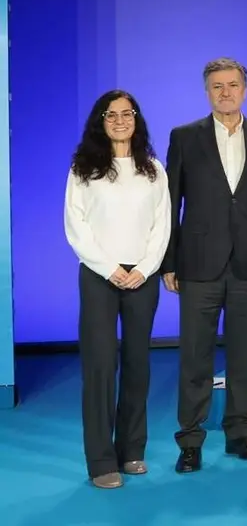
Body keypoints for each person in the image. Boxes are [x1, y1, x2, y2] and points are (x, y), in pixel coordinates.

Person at [163, 58, 247, 474]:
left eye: (232, 85)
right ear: (207, 91)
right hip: (197, 265)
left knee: (244, 354)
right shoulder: (184, 137)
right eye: (217, 86)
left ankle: (239, 434)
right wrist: (169, 261)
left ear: (245, 90)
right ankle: (190, 441)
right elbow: (170, 203)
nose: (225, 92)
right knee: (195, 356)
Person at [63, 90, 171, 489]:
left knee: (138, 365)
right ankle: (101, 461)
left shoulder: (154, 170)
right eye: (112, 114)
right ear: (100, 120)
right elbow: (76, 227)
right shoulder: (83, 168)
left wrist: (144, 268)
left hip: (143, 277)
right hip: (98, 276)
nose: (121, 120)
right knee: (101, 366)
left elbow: (163, 226)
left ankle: (132, 451)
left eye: (128, 114)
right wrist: (110, 268)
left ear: (137, 119)